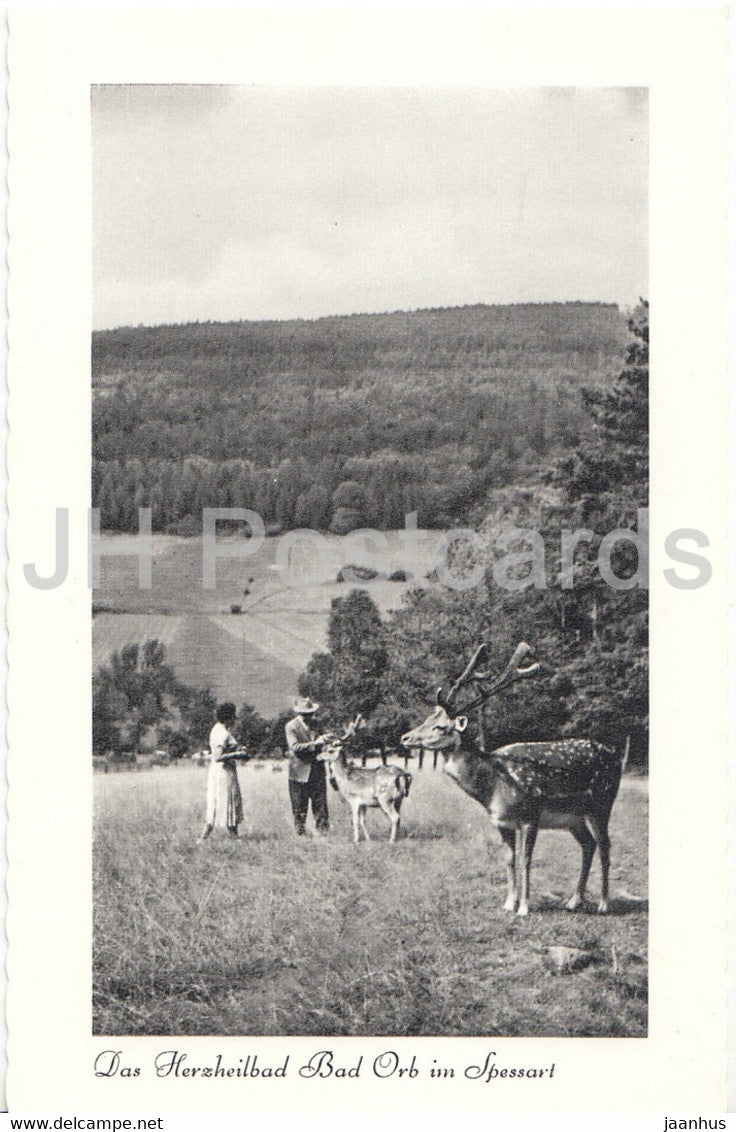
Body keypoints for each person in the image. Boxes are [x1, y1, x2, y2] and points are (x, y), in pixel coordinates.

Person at [199, 702, 245, 841]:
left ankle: (205, 837)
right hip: (223, 772)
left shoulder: (217, 729)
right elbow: (218, 756)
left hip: (218, 771)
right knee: (228, 800)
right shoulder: (222, 733)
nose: (235, 719)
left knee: (218, 801)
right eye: (233, 716)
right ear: (228, 717)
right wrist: (237, 755)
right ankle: (232, 836)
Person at [284, 697, 329, 836]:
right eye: (305, 714)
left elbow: (324, 743)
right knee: (299, 809)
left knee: (321, 808)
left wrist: (327, 742)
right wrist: (316, 744)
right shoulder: (291, 726)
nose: (308, 716)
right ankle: (301, 836)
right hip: (299, 774)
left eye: (310, 713)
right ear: (299, 713)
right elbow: (295, 747)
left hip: (317, 772)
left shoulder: (317, 724)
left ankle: (323, 835)